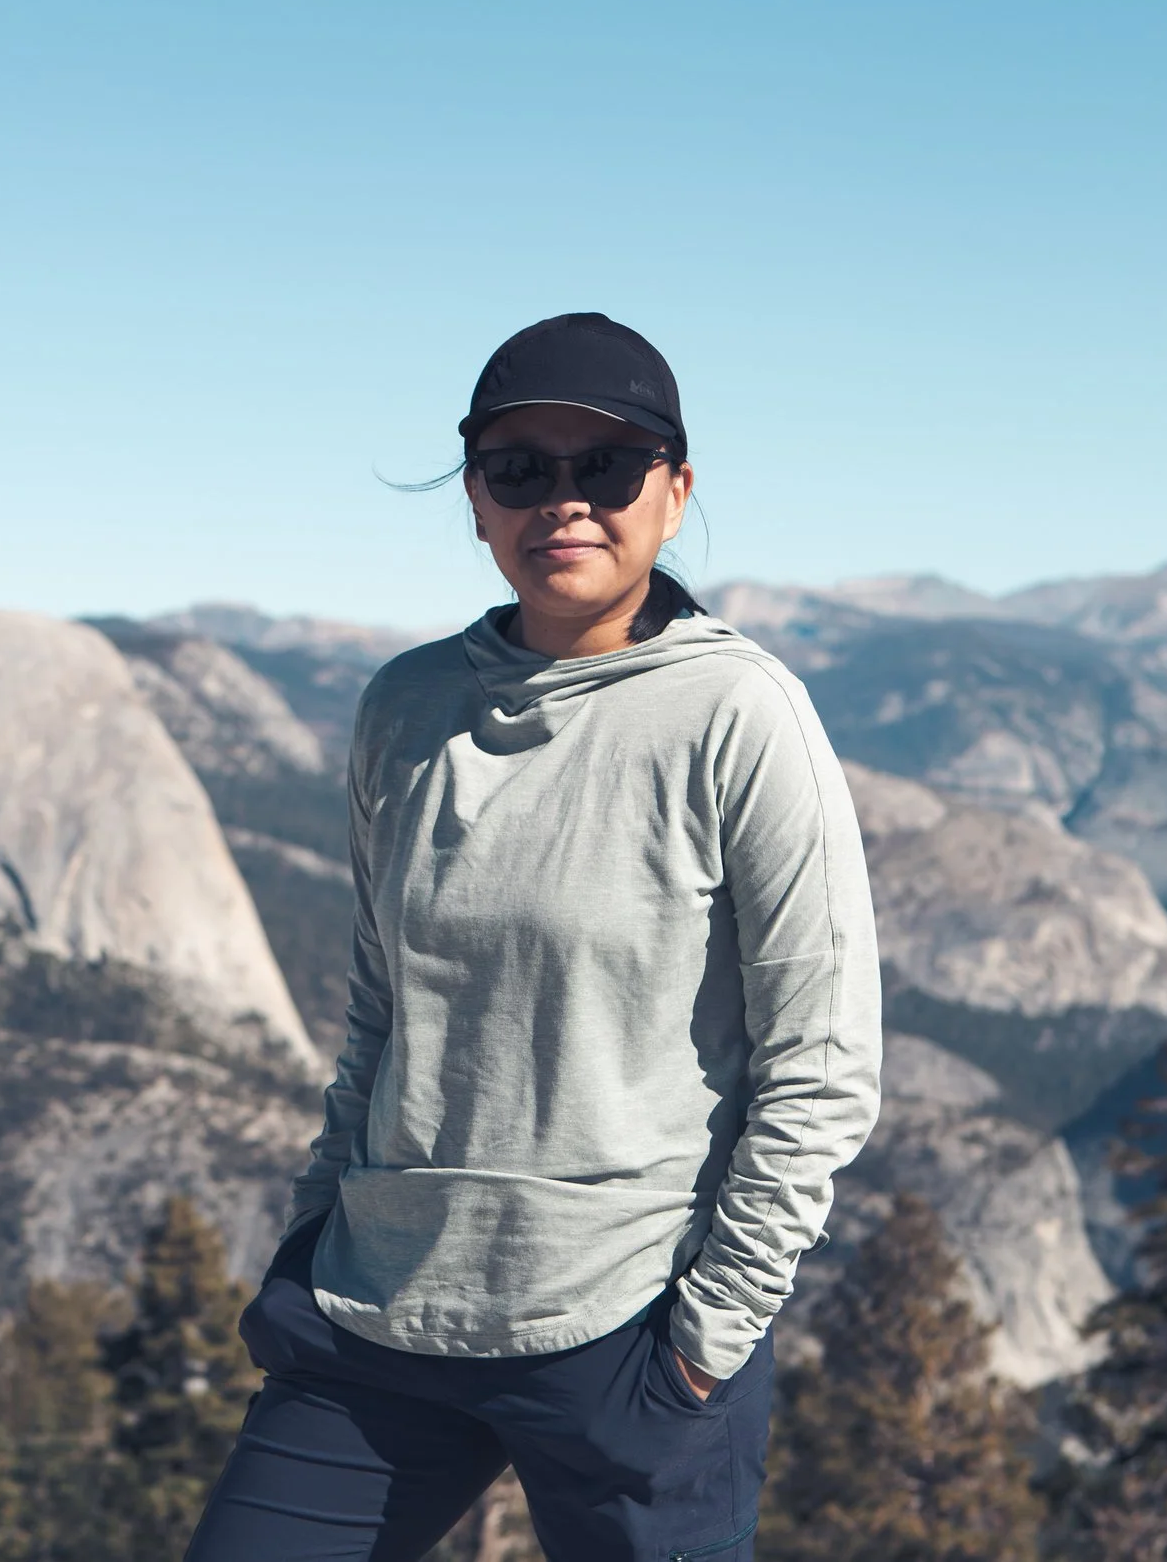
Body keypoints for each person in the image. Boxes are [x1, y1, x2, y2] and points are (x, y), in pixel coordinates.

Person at [185, 313, 883, 1561]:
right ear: (474, 499)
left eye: (605, 468)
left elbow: (821, 1064)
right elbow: (379, 1009)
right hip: (378, 1310)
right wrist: (305, 1238)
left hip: (630, 1327)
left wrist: (704, 1341)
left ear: (674, 490)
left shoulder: (740, 712)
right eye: (521, 468)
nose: (563, 500)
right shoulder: (404, 705)